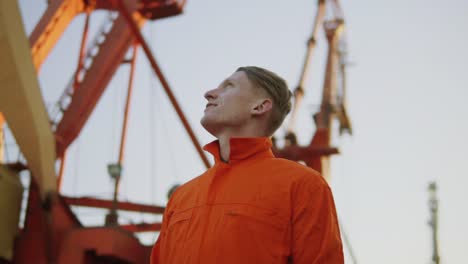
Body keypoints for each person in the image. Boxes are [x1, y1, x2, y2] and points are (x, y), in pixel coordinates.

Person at [150, 66, 344, 264]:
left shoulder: (303, 185)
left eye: (228, 86)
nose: (208, 94)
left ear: (259, 107)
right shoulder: (181, 197)